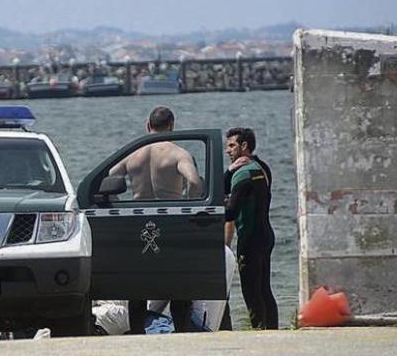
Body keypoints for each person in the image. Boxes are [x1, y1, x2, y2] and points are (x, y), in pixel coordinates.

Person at [107, 106, 202, 334]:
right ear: (172, 126)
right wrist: (190, 207)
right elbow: (196, 182)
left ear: (148, 126)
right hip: (171, 221)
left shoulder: (133, 154)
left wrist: (115, 205)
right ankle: (181, 332)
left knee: (137, 285)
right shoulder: (178, 154)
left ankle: (138, 335)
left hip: (139, 221)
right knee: (178, 283)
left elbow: (107, 178)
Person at [224, 127, 278, 330]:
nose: (228, 151)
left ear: (244, 146)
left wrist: (229, 173)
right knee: (265, 289)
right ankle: (273, 331)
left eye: (231, 146)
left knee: (250, 290)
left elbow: (229, 213)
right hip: (266, 235)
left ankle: (258, 332)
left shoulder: (243, 174)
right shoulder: (262, 167)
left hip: (250, 239)